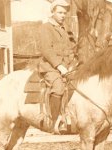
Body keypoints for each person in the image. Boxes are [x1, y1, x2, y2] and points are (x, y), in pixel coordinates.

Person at [39, 0, 76, 132]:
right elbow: (46, 50)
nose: (63, 15)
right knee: (58, 87)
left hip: (66, 67)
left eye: (65, 13)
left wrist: (72, 62)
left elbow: (71, 49)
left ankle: (72, 118)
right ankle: (54, 121)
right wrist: (59, 66)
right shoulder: (46, 28)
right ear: (53, 12)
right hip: (50, 67)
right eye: (60, 12)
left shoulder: (65, 30)